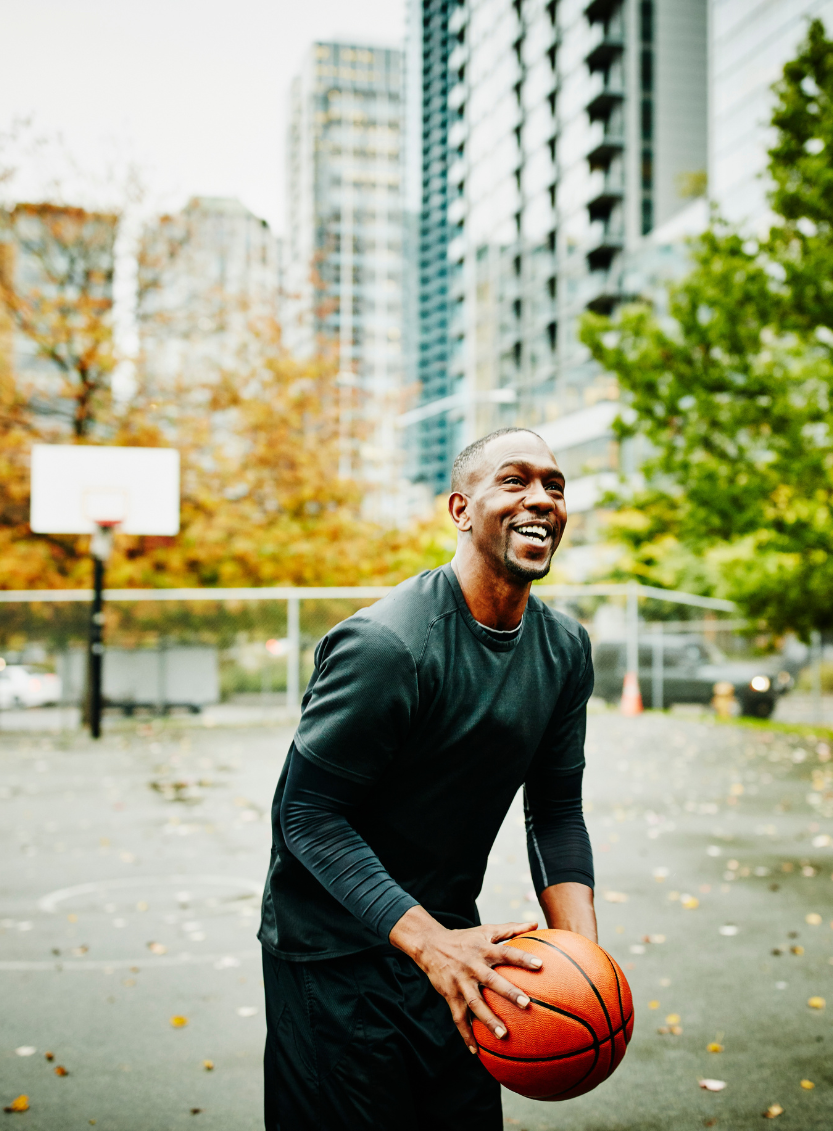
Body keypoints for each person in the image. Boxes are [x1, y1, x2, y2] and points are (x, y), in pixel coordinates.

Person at [258, 427, 597, 1130]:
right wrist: (427, 940)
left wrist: (583, 961)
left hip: (454, 940)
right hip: (332, 949)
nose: (540, 497)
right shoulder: (387, 645)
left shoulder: (563, 649)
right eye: (513, 479)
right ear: (460, 509)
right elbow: (307, 816)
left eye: (554, 485)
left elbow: (557, 808)